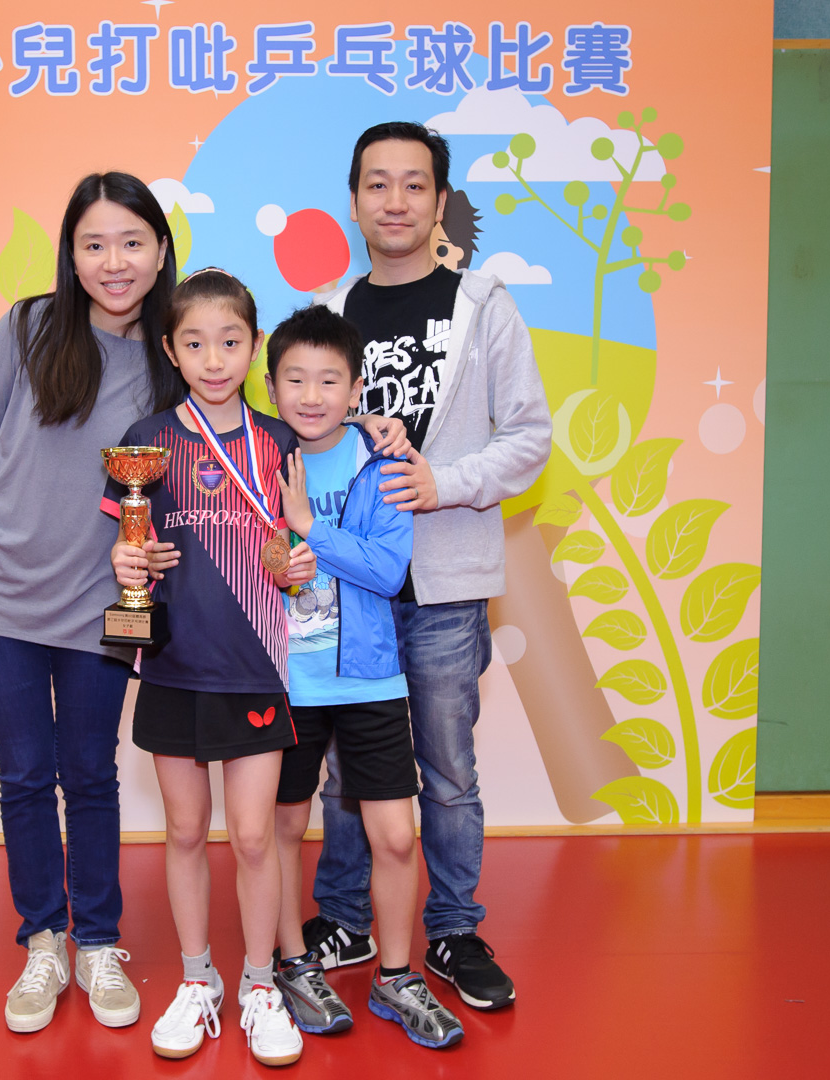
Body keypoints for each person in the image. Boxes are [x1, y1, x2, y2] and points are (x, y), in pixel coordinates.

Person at [304, 122, 552, 1011]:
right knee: (345, 768)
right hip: (349, 587)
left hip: (444, 584)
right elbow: (302, 424)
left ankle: (451, 930)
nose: (395, 201)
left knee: (446, 771)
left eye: (414, 184)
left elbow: (529, 437)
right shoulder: (330, 311)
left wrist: (443, 483)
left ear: (439, 200)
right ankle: (344, 917)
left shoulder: (482, 305)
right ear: (354, 200)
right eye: (377, 184)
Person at [0, 172, 183, 1035]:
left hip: (102, 602)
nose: (114, 262)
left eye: (131, 242)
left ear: (159, 251)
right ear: (71, 256)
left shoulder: (176, 354)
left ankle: (97, 942)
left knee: (91, 775)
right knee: (25, 776)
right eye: (93, 244)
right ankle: (42, 940)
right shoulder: (29, 327)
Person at [107, 269, 310, 1067]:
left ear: (254, 346)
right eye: (195, 343)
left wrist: (295, 563)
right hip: (172, 665)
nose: (214, 359)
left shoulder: (279, 442)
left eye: (230, 342)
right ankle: (198, 979)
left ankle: (259, 983)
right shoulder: (145, 440)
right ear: (170, 349)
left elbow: (295, 551)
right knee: (186, 830)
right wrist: (131, 561)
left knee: (254, 836)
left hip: (255, 669)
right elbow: (126, 550)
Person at [264, 305, 464, 1049]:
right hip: (286, 685)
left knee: (396, 838)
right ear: (271, 386)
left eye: (329, 381)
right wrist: (278, 554)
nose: (310, 395)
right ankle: (293, 962)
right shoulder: (256, 461)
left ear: (355, 391)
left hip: (371, 683)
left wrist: (312, 529)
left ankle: (396, 975)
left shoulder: (383, 466)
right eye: (294, 379)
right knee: (283, 828)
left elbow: (386, 571)